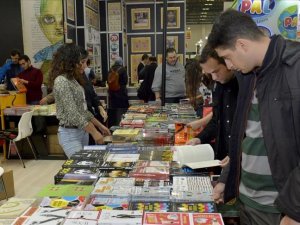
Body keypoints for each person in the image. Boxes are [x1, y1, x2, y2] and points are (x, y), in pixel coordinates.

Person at [207, 9, 300, 225]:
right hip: (247, 202)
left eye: (227, 57)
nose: (228, 66)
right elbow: (243, 136)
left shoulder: (294, 68)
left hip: (279, 209)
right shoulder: (248, 75)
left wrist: (295, 210)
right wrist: (226, 180)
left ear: (242, 45)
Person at [49, 43, 109, 158]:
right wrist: (94, 132)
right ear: (71, 62)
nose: (84, 66)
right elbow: (73, 114)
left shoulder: (73, 80)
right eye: (82, 62)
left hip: (82, 131)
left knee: (83, 167)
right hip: (70, 134)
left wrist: (100, 126)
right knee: (81, 166)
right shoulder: (62, 81)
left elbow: (83, 110)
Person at [187, 45, 238, 169]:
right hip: (222, 156)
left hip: (240, 158)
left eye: (216, 72)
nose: (214, 78)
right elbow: (216, 120)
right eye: (210, 74)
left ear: (227, 62)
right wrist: (199, 139)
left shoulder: (244, 86)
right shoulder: (218, 85)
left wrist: (238, 154)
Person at [34, 0, 64, 83]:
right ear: (40, 23)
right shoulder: (46, 66)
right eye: (49, 19)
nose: (58, 27)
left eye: (63, 19)